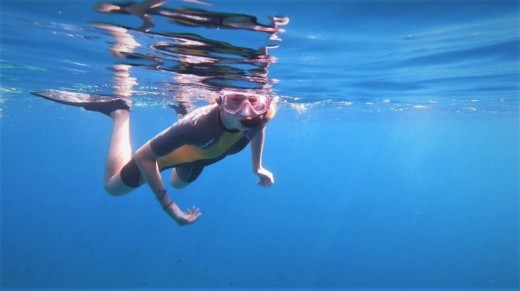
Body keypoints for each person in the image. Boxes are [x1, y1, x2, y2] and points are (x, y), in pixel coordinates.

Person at [78, 89, 275, 226]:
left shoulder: (260, 115)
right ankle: (120, 112)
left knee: (179, 183)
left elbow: (259, 129)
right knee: (112, 188)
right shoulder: (197, 126)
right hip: (165, 158)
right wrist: (170, 208)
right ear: (220, 102)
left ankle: (182, 112)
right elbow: (144, 156)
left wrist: (257, 167)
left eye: (253, 101)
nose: (246, 111)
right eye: (235, 101)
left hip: (201, 156)